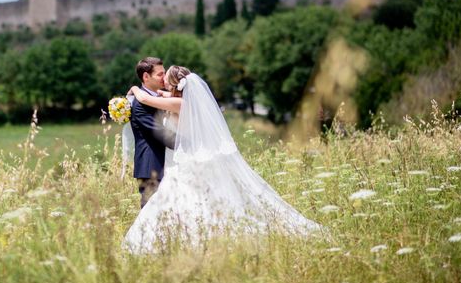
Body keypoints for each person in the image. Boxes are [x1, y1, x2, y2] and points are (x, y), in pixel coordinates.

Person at [123, 65, 325, 254]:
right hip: (192, 158)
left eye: (166, 80)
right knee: (200, 199)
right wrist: (160, 92)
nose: (164, 83)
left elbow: (148, 100)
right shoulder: (186, 102)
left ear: (176, 85)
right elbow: (162, 95)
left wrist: (134, 88)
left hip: (190, 161)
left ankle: (182, 238)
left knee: (188, 200)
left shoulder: (179, 103)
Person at [129, 57, 167, 208]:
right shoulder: (139, 105)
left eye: (164, 73)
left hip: (166, 164)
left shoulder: (162, 96)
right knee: (151, 216)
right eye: (160, 74)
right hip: (151, 166)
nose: (164, 77)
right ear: (146, 76)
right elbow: (161, 134)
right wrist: (191, 143)